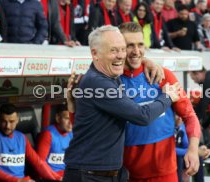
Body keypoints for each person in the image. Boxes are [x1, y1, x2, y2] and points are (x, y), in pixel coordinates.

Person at [63, 25, 180, 182]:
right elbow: (142, 116)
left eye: (122, 49)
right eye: (113, 50)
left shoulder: (108, 74)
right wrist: (167, 97)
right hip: (90, 175)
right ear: (94, 54)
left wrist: (146, 61)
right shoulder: (98, 83)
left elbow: (129, 60)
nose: (120, 56)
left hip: (104, 173)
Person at [119, 22, 201, 182]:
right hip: (126, 174)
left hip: (165, 173)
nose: (136, 51)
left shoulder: (164, 76)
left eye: (140, 44)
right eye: (130, 46)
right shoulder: (111, 81)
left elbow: (190, 116)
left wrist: (193, 149)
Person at [0, 103, 61, 182]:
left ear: (17, 120)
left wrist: (58, 178)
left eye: (11, 121)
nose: (7, 126)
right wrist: (18, 180)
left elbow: (38, 162)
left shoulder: (21, 137)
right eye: (4, 121)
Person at [36, 104, 73, 179]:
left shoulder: (71, 134)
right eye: (67, 118)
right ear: (58, 118)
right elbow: (40, 163)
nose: (70, 122)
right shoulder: (48, 134)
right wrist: (57, 177)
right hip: (51, 176)